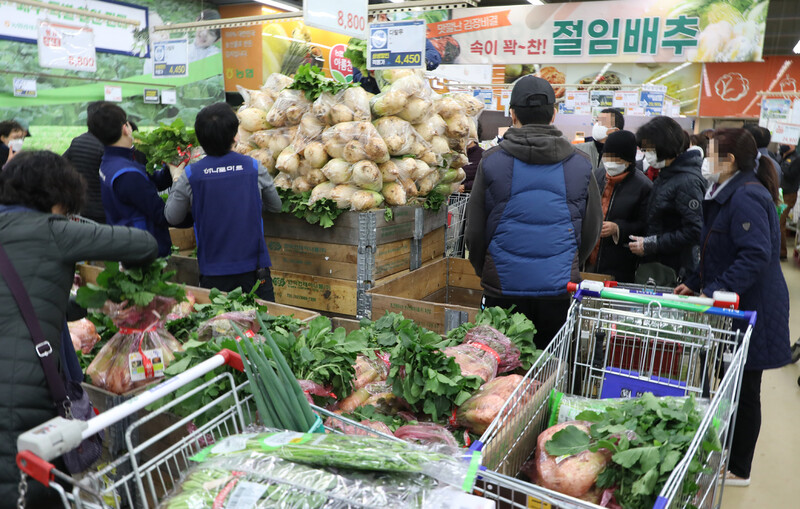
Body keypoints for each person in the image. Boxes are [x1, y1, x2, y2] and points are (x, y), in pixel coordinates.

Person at [0, 151, 158, 506]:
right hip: (20, 394)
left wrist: (83, 302)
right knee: (28, 487)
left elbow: (22, 290)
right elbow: (144, 245)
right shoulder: (54, 230)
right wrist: (74, 221)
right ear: (59, 197)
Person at [674, 128, 791, 487]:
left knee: (745, 388)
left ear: (729, 161)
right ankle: (725, 451)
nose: (705, 160)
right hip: (733, 305)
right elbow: (716, 248)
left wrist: (716, 291)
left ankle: (739, 468)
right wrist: (695, 282)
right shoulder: (726, 192)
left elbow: (755, 254)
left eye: (709, 154)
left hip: (751, 308)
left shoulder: (745, 197)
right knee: (731, 384)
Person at [465, 75, 602, 349]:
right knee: (551, 372)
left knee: (500, 380)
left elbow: (474, 231)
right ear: (554, 113)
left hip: (502, 291)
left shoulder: (491, 162)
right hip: (560, 290)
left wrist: (489, 271)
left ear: (512, 114)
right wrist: (569, 263)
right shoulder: (582, 164)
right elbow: (591, 230)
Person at [165, 103, 282, 300]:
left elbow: (172, 217)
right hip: (254, 270)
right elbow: (276, 206)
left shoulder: (191, 174)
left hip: (214, 273)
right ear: (235, 136)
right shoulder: (254, 167)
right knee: (264, 324)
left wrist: (176, 177)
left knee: (222, 327)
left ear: (200, 139)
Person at [89, 103, 181, 256]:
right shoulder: (127, 174)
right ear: (126, 128)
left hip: (126, 244)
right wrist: (178, 181)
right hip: (145, 251)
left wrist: (171, 167)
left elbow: (153, 182)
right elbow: (162, 214)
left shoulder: (110, 162)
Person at [629, 116, 705, 285]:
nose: (646, 155)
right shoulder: (666, 174)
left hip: (676, 271)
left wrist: (652, 244)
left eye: (649, 149)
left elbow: (695, 230)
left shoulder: (687, 181)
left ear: (664, 145)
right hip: (660, 266)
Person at [585, 130, 652, 282]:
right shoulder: (598, 175)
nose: (610, 162)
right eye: (607, 156)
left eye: (616, 159)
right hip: (588, 258)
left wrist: (618, 228)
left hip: (618, 264)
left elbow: (645, 226)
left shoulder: (643, 186)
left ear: (628, 161)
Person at [352, 12, 442, 94]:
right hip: (380, 100)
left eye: (368, 20)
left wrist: (419, 64)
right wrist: (370, 75)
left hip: (412, 94)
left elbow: (434, 55)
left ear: (382, 16)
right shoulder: (362, 44)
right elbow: (357, 79)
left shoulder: (406, 32)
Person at [63, 102, 107, 223]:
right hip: (103, 211)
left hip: (81, 208)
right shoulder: (105, 146)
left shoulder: (77, 141)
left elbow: (61, 165)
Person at [576, 108, 624, 174]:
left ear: (615, 131)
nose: (597, 125)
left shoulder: (623, 157)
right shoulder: (578, 150)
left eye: (603, 122)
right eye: (597, 121)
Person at [778, 141, 799, 259]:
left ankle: (782, 252)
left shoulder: (797, 159)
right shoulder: (780, 156)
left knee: (780, 222)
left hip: (788, 195)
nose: (782, 145)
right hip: (779, 193)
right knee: (776, 221)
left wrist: (781, 167)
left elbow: (791, 175)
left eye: (785, 143)